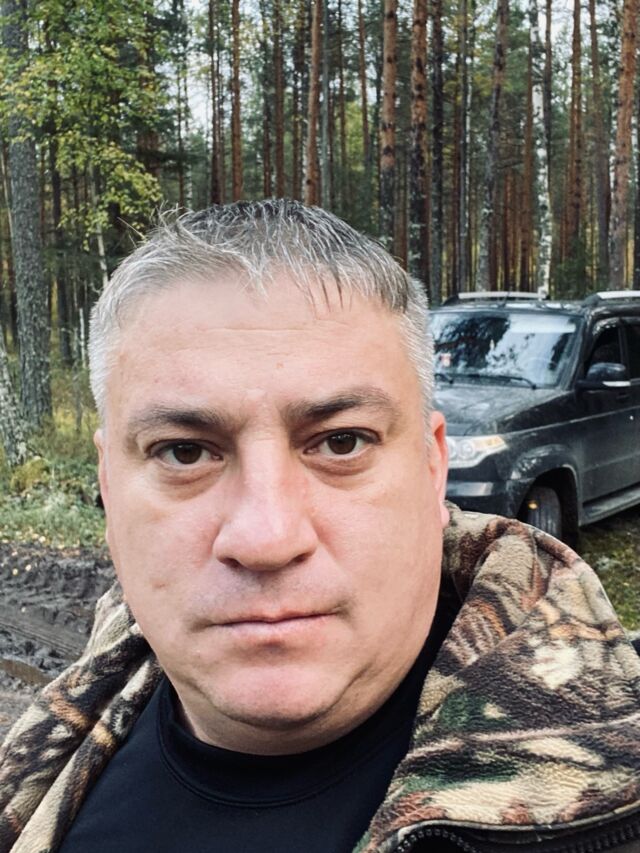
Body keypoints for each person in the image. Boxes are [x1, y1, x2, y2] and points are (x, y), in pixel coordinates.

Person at [1, 200, 639, 853]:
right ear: (110, 487)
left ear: (432, 468)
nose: (267, 538)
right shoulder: (63, 736)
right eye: (184, 452)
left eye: (341, 442)